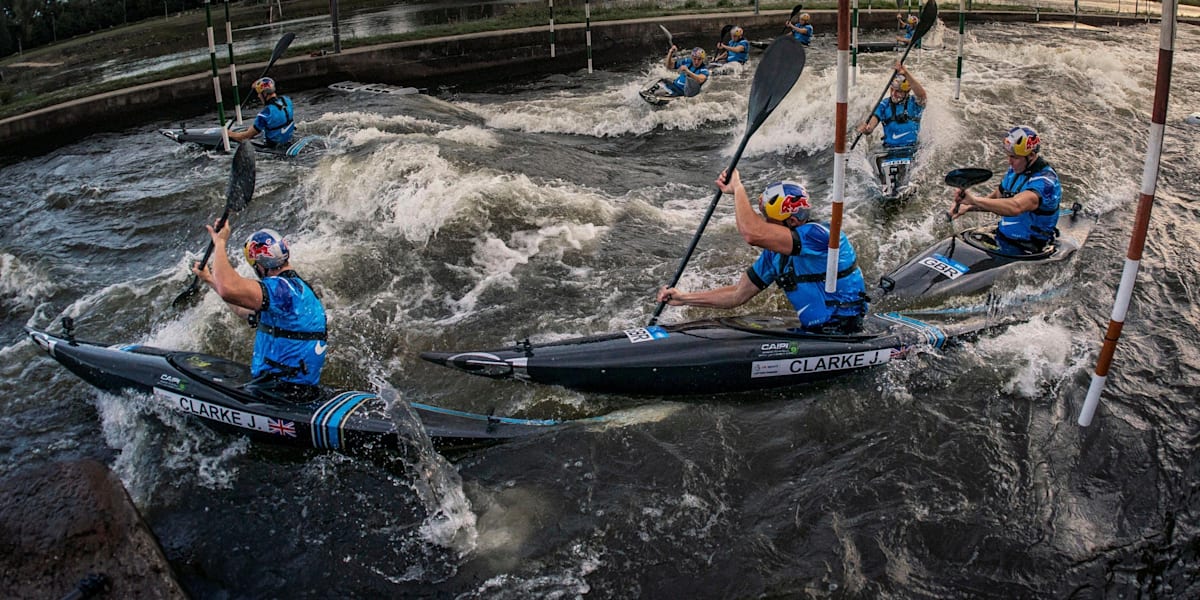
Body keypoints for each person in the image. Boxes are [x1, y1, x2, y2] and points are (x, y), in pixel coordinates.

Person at [656, 169, 869, 333]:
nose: (765, 223)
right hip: (813, 332)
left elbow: (752, 234)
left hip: (845, 329)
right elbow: (737, 295)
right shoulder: (775, 256)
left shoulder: (822, 236)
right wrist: (685, 298)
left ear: (792, 220)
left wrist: (738, 188)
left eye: (769, 220)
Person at [192, 220, 328, 401]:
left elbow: (228, 289)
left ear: (260, 265)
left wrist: (220, 243)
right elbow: (242, 309)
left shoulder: (282, 290)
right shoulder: (296, 291)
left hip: (280, 392)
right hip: (289, 388)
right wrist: (210, 280)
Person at [948, 125, 1063, 256]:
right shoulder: (1015, 171)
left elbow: (1015, 207)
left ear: (1031, 155)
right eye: (1008, 156)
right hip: (1003, 237)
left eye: (1014, 157)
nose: (1009, 162)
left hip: (1029, 248)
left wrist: (975, 200)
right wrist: (967, 207)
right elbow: (997, 198)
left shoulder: (1046, 183)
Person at [855, 62, 927, 149]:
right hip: (889, 150)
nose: (894, 94)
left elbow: (922, 95)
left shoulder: (915, 103)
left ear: (907, 92)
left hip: (912, 149)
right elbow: (872, 123)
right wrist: (867, 129)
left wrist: (906, 73)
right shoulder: (884, 104)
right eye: (892, 89)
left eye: (899, 91)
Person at [228, 77, 295, 147]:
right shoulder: (287, 100)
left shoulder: (265, 114)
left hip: (274, 145)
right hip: (288, 139)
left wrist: (229, 134)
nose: (258, 96)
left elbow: (244, 137)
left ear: (265, 94)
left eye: (259, 93)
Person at [645, 46, 710, 98]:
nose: (696, 62)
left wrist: (688, 71)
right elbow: (669, 66)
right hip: (674, 85)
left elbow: (700, 79)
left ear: (702, 59)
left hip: (683, 92)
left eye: (699, 59)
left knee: (660, 92)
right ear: (692, 57)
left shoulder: (704, 69)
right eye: (694, 58)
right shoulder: (687, 61)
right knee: (660, 81)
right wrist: (670, 53)